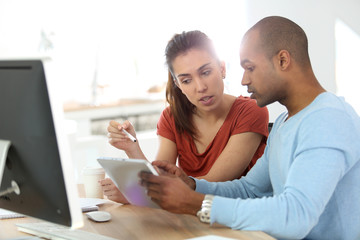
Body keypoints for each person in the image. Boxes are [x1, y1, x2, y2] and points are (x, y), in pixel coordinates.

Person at [139, 16, 360, 240]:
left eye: (250, 67)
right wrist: (191, 185)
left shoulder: (329, 119)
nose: (244, 80)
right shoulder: (285, 122)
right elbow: (250, 190)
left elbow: (296, 216)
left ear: (283, 60)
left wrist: (195, 203)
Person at [101, 30, 269, 203]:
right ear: (178, 84)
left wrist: (135, 195)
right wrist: (132, 148)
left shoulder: (251, 111)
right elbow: (160, 180)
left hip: (233, 215)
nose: (200, 87)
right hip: (190, 214)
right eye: (187, 80)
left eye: (205, 72)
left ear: (222, 68)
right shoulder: (172, 117)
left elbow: (214, 184)